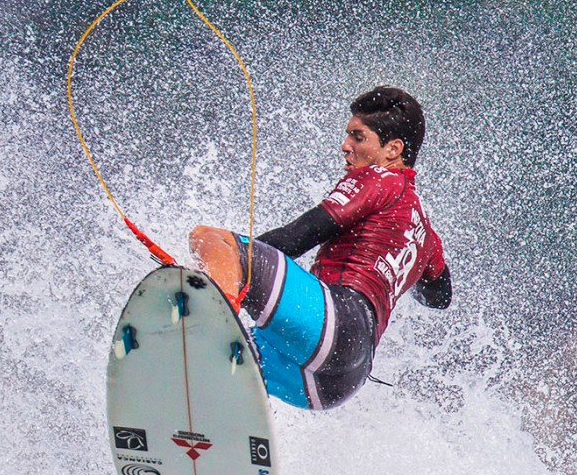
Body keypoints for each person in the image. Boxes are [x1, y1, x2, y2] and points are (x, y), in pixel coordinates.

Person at [190, 85, 452, 410]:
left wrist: (223, 269)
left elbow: (294, 239)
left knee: (211, 240)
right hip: (340, 380)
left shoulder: (380, 179)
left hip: (335, 322)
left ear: (393, 149)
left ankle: (210, 316)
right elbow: (440, 297)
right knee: (220, 359)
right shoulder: (425, 232)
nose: (346, 147)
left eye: (358, 137)